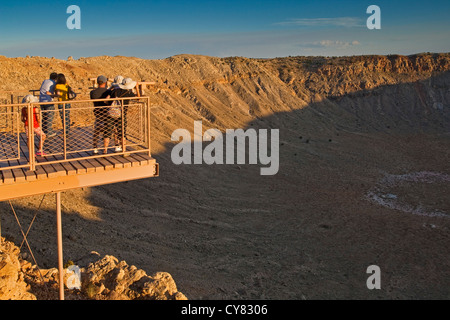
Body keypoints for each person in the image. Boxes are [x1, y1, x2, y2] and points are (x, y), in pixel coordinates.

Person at [105, 77, 136, 153]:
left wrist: (111, 87)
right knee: (122, 133)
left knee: (107, 132)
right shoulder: (129, 93)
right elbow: (137, 98)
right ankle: (124, 150)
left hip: (112, 114)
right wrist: (137, 88)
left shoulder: (114, 91)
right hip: (122, 115)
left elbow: (107, 97)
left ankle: (104, 151)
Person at [90, 75, 109, 154]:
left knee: (96, 131)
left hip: (98, 113)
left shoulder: (93, 92)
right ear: (105, 82)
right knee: (107, 132)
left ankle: (95, 147)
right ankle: (105, 149)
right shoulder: (108, 92)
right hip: (106, 113)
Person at [39, 72, 57, 138]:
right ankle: (49, 132)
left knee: (44, 116)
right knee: (49, 116)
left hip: (41, 100)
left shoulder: (45, 81)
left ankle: (43, 131)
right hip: (48, 101)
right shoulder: (54, 83)